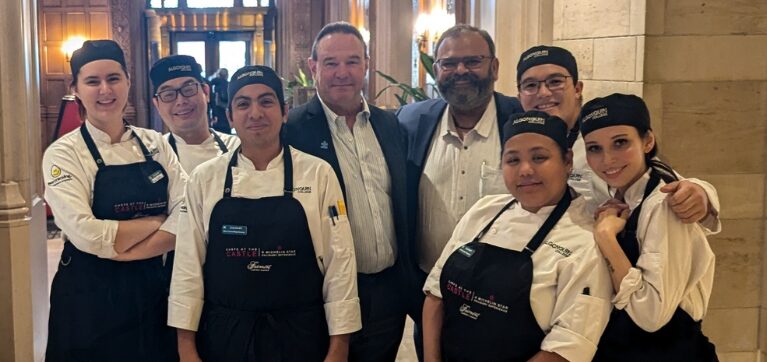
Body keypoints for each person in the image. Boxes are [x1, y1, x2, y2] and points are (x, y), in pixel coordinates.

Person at [168, 65, 361, 362]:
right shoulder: (204, 179)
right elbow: (187, 268)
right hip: (225, 336)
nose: (255, 113)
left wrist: (339, 348)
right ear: (230, 117)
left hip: (301, 334)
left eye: (266, 101)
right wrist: (186, 348)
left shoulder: (318, 174)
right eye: (243, 103)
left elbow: (340, 264)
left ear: (284, 111)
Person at [422, 111, 612, 362]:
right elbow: (435, 296)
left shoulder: (584, 240)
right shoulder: (484, 210)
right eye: (513, 160)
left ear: (567, 161)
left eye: (539, 157)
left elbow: (568, 347)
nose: (525, 170)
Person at [42, 39, 186, 361]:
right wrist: (158, 222)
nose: (105, 90)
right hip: (87, 301)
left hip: (151, 293)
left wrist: (128, 252)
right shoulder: (64, 154)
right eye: (93, 81)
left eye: (113, 78)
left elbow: (190, 212)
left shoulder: (156, 144)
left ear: (128, 82)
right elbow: (86, 234)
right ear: (75, 88)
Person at [285, 21, 411, 361]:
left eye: (352, 61)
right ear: (313, 68)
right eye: (331, 63)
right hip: (324, 295)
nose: (343, 72)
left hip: (388, 293)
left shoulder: (390, 126)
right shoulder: (293, 130)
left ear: (367, 64)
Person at [396, 24, 524, 357]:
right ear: (436, 69)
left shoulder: (522, 120)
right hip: (429, 295)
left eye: (472, 61)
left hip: (504, 301)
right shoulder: (409, 122)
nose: (460, 71)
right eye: (449, 64)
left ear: (494, 67)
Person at [515, 45, 721, 230]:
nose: (543, 92)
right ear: (519, 96)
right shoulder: (512, 138)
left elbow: (660, 180)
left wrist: (700, 194)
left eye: (555, 82)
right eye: (530, 85)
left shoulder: (600, 136)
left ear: (577, 89)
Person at [578, 94, 717, 361]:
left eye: (620, 143)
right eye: (594, 148)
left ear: (648, 141)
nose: (607, 160)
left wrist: (606, 237)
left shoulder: (664, 202)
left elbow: (651, 315)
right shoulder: (628, 191)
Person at [150, 55, 240, 174]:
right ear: (157, 104)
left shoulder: (238, 149)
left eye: (188, 89)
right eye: (168, 94)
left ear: (206, 92)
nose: (181, 101)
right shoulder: (151, 158)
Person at [209, 68, 230, 134]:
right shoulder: (229, 85)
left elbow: (216, 102)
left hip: (216, 115)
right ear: (227, 75)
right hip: (226, 116)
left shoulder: (213, 84)